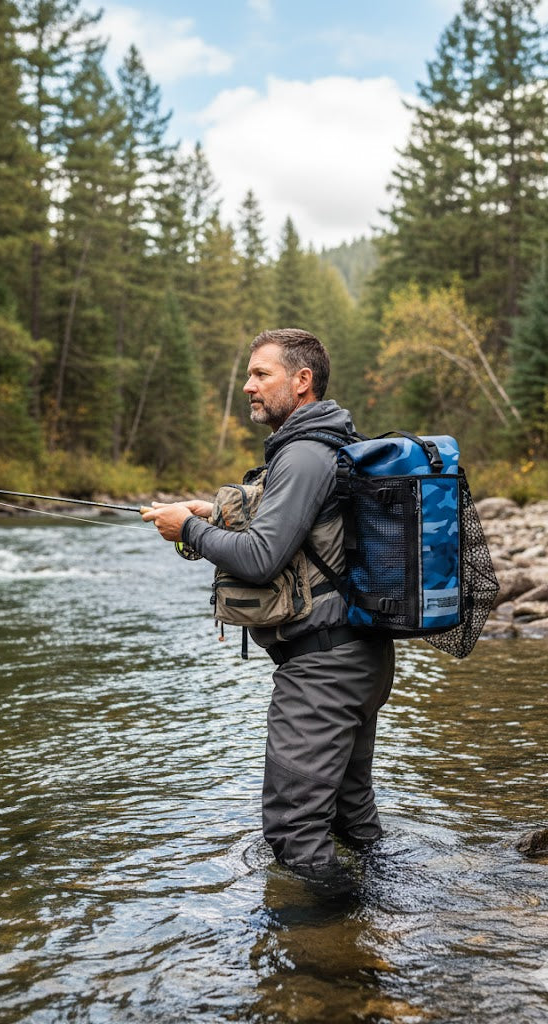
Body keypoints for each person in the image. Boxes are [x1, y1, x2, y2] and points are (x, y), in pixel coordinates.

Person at [141, 328, 395, 893]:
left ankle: (328, 961)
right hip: (356, 657)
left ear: (302, 382)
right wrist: (209, 513)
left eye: (262, 374)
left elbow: (260, 558)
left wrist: (188, 529)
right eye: (249, 374)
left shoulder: (304, 453)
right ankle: (386, 922)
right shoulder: (325, 443)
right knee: (350, 821)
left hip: (324, 670)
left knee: (294, 832)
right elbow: (305, 532)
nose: (248, 386)